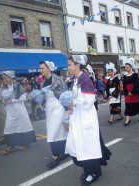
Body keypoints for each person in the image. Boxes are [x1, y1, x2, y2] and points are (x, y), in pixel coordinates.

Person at [66, 54, 111, 186]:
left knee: (88, 146)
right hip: (78, 116)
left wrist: (73, 102)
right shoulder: (74, 79)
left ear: (78, 65)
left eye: (69, 65)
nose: (68, 67)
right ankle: (87, 170)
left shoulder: (85, 79)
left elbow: (91, 99)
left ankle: (94, 173)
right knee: (79, 145)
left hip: (86, 117)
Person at [39, 61, 69, 170]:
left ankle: (55, 156)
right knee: (60, 131)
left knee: (53, 132)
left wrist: (67, 110)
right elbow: (44, 97)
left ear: (49, 68)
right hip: (50, 109)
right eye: (40, 68)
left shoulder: (57, 80)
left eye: (42, 68)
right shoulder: (43, 82)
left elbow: (65, 94)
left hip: (58, 108)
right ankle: (66, 151)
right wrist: (40, 100)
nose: (41, 70)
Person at [1, 71, 36, 155]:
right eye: (3, 79)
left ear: (10, 77)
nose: (4, 80)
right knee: (9, 126)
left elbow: (24, 98)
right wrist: (4, 100)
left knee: (22, 126)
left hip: (19, 109)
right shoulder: (4, 87)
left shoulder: (18, 86)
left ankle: (25, 143)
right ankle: (10, 145)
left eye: (5, 78)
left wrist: (12, 100)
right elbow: (2, 98)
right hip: (10, 110)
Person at [123, 58, 139, 126]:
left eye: (127, 67)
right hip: (128, 93)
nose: (126, 68)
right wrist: (126, 93)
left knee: (138, 105)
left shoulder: (134, 75)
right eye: (125, 67)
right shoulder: (125, 76)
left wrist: (133, 92)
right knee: (127, 105)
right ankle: (128, 119)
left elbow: (136, 84)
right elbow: (124, 85)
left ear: (131, 67)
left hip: (134, 92)